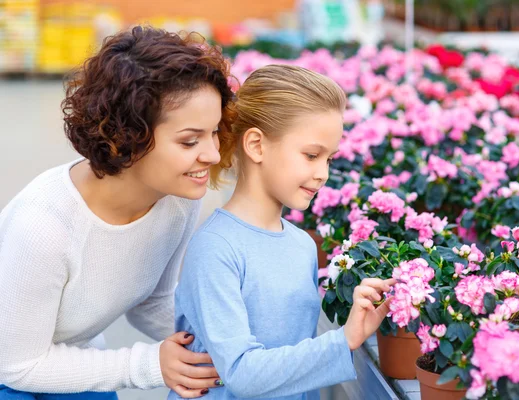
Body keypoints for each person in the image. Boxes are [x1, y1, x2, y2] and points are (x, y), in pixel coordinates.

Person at [0, 26, 234, 399]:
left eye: (214, 133)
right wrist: (148, 364)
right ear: (129, 135)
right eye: (190, 140)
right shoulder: (43, 225)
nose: (212, 155)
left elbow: (152, 301)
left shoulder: (179, 199)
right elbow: (17, 365)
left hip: (62, 358)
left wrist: (225, 346)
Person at [169, 64, 395, 400]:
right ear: (257, 145)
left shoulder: (302, 244)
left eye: (329, 159)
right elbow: (240, 373)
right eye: (311, 155)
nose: (322, 174)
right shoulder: (215, 248)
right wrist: (344, 338)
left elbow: (297, 375)